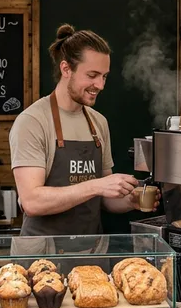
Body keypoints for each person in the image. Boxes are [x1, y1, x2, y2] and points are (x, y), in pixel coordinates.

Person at [9, 24, 155, 237]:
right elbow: (32, 202)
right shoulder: (32, 122)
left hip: (90, 254)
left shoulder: (98, 123)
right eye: (92, 75)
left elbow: (104, 200)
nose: (100, 85)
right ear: (66, 69)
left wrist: (129, 200)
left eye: (104, 76)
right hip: (41, 260)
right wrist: (96, 186)